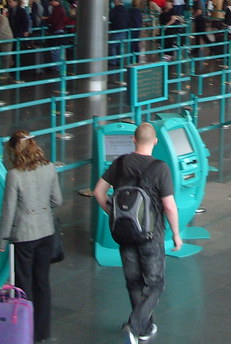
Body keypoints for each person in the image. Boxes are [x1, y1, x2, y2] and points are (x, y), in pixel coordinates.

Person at [93, 123, 182, 344]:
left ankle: (145, 327)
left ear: (133, 140)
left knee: (134, 282)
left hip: (125, 232)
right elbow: (169, 206)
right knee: (155, 283)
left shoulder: (120, 163)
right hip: (152, 235)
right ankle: (134, 326)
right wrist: (177, 234)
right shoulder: (160, 168)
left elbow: (98, 191)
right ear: (155, 142)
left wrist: (112, 213)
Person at [0, 131, 63, 343]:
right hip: (46, 232)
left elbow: (8, 210)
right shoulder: (49, 167)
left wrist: (2, 239)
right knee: (42, 281)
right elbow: (58, 200)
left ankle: (25, 329)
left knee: (24, 283)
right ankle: (42, 331)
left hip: (24, 235)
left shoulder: (14, 175)